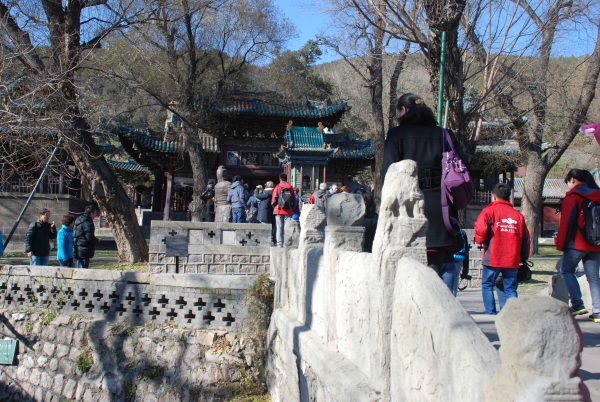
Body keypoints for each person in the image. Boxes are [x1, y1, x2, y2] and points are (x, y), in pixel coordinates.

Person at [381, 93, 465, 273]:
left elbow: (388, 174)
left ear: (403, 110)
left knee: (407, 275)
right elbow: (462, 166)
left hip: (409, 212)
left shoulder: (396, 135)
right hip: (441, 213)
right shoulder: (444, 134)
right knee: (437, 276)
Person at [475, 183, 530, 315]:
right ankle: (512, 315)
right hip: (512, 258)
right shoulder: (518, 216)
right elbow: (526, 238)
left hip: (493, 256)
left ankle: (491, 313)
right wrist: (523, 256)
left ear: (493, 197)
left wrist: (480, 241)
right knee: (510, 288)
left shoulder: (488, 211)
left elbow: (480, 230)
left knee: (488, 285)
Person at [555, 168, 600, 322]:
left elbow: (566, 223)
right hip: (596, 244)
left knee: (566, 271)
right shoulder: (597, 194)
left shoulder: (574, 196)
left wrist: (560, 243)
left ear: (572, 180)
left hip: (577, 243)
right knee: (594, 277)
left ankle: (577, 304)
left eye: (567, 182)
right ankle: (598, 311)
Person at [271, 173, 296, 247]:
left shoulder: (278, 187)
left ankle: (279, 243)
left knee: (279, 227)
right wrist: (292, 208)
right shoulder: (290, 187)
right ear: (286, 179)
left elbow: (274, 199)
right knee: (287, 226)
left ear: (280, 179)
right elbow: (294, 199)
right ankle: (287, 242)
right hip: (288, 210)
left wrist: (274, 206)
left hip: (279, 210)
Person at [73, 203, 100, 269]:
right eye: (95, 213)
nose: (95, 215)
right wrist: (97, 241)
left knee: (78, 268)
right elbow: (89, 237)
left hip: (76, 248)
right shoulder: (88, 223)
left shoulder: (78, 219)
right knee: (83, 270)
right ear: (91, 213)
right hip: (84, 250)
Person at [256, 181, 276, 245]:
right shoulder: (273, 192)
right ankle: (272, 240)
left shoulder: (267, 193)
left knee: (264, 228)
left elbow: (257, 195)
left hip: (265, 213)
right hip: (271, 213)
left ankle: (265, 241)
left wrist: (257, 188)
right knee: (272, 227)